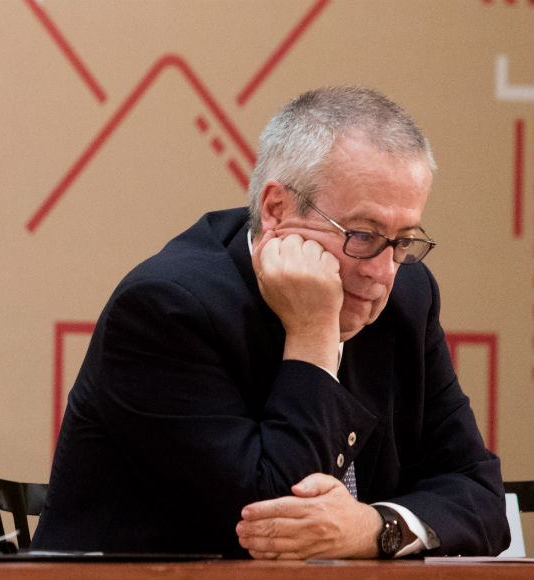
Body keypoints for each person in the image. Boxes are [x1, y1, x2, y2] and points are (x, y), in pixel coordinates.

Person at [32, 86, 509, 559]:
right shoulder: (166, 309)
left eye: (403, 240)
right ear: (277, 209)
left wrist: (374, 528)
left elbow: (482, 495)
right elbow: (273, 527)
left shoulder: (408, 297)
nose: (382, 272)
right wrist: (313, 335)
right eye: (363, 235)